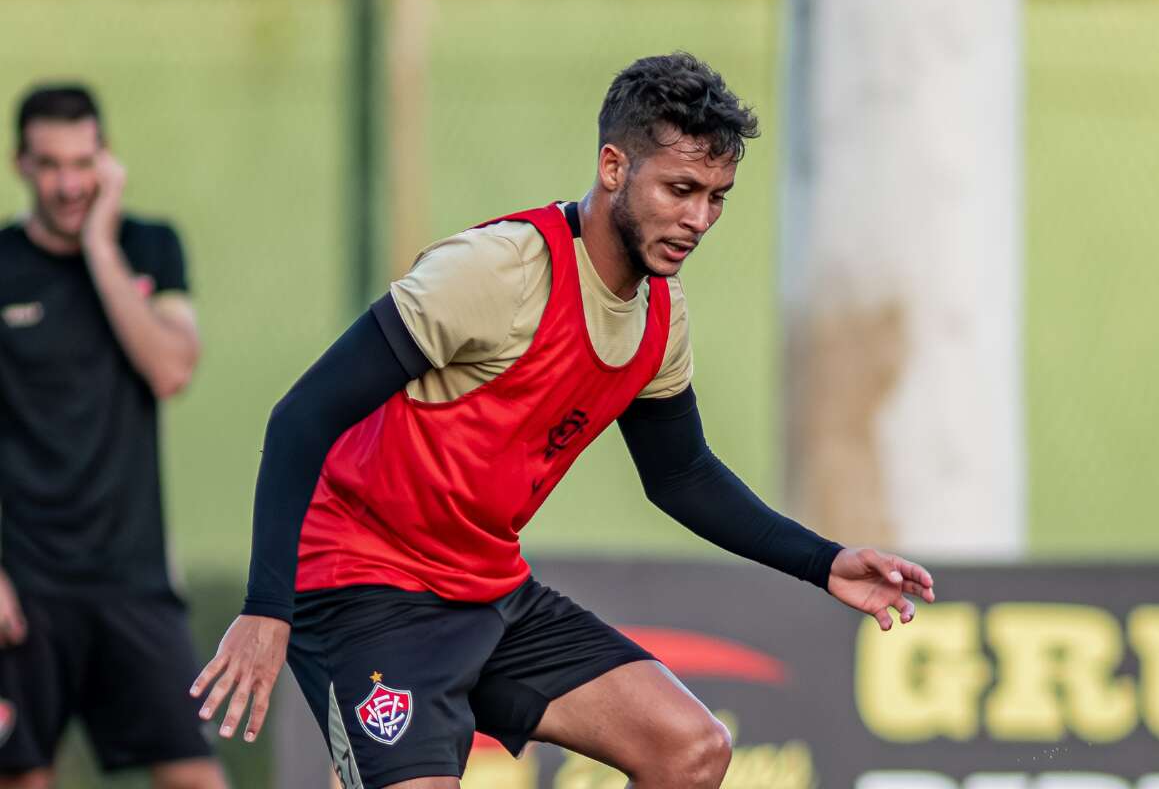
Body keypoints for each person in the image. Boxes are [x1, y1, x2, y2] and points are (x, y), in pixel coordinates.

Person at [193, 53, 936, 789]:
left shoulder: (660, 315)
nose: (698, 219)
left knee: (692, 749)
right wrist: (267, 610)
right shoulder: (498, 272)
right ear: (614, 167)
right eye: (680, 188)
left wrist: (823, 560)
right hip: (363, 588)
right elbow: (300, 419)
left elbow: (681, 475)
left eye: (717, 196)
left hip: (488, 590)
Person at [0, 85, 227, 789]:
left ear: (105, 160)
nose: (69, 183)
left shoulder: (148, 245)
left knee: (195, 774)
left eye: (82, 161)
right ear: (21, 165)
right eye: (50, 164)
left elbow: (169, 368)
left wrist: (100, 246)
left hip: (133, 581)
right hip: (25, 584)